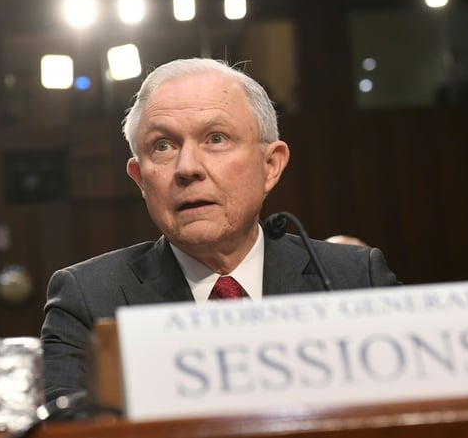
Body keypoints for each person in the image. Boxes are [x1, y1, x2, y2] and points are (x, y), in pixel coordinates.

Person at [40, 58, 399, 404]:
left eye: (215, 139)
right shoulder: (87, 300)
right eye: (162, 146)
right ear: (140, 179)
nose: (187, 168)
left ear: (270, 165)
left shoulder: (354, 279)